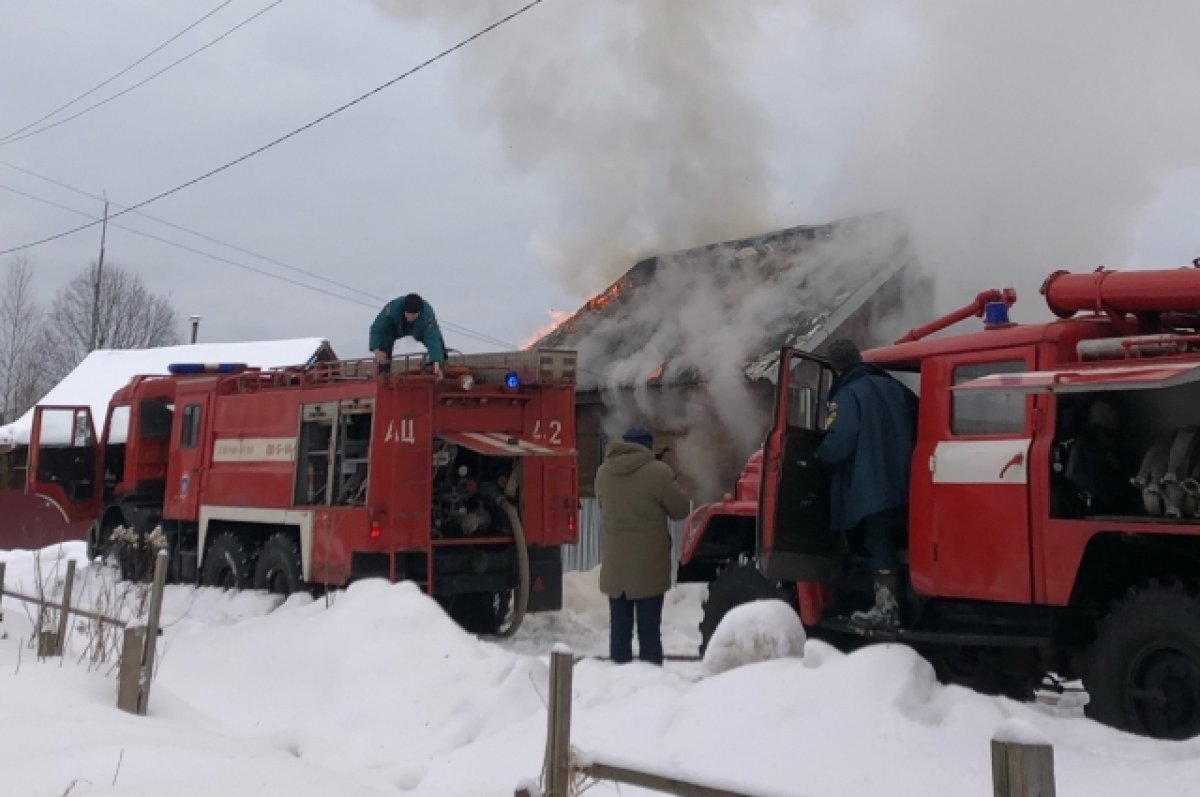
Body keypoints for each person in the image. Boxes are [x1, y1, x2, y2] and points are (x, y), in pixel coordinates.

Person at [815, 339, 918, 630]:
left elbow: (840, 440)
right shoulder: (894, 387)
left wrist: (819, 455)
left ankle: (887, 609)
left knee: (877, 540)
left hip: (871, 483)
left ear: (836, 366)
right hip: (909, 481)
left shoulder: (848, 394)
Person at [594, 426, 691, 664]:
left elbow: (603, 506)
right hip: (648, 566)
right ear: (648, 446)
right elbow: (680, 510)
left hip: (615, 566)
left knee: (619, 630)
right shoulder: (658, 472)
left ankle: (619, 679)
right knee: (648, 631)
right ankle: (650, 684)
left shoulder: (603, 472)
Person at [369, 293, 446, 379]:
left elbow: (433, 337)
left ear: (419, 312)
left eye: (414, 315)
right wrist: (376, 350)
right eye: (408, 313)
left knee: (438, 342)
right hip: (395, 328)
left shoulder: (427, 314)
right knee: (384, 340)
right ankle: (383, 374)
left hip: (418, 329)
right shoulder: (393, 307)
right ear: (404, 310)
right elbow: (378, 328)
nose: (410, 317)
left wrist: (436, 361)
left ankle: (437, 369)